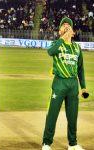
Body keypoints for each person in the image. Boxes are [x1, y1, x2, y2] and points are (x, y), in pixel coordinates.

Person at [42, 17, 89, 150]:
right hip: (59, 83)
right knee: (52, 114)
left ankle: (72, 144)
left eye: (70, 26)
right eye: (64, 26)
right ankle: (46, 143)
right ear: (60, 30)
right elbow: (50, 52)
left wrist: (83, 87)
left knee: (72, 116)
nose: (67, 27)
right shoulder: (56, 43)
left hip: (73, 85)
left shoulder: (77, 48)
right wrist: (63, 38)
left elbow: (81, 69)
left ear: (74, 31)